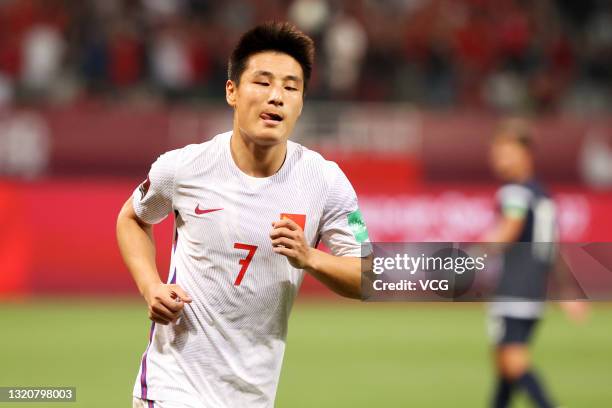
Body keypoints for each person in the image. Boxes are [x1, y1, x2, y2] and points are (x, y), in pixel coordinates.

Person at [116, 22, 370, 408]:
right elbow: (132, 218)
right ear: (231, 91)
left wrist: (310, 257)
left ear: (302, 101)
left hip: (253, 396)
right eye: (263, 82)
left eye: (290, 86)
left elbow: (370, 273)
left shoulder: (326, 182)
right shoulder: (183, 168)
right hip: (172, 388)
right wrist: (151, 286)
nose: (276, 97)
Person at [484, 119, 587, 408]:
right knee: (505, 365)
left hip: (514, 287)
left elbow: (507, 232)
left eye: (505, 151)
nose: (498, 159)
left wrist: (470, 255)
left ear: (525, 153)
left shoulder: (514, 193)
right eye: (496, 152)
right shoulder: (542, 194)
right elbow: (551, 247)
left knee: (512, 362)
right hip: (533, 290)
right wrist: (566, 291)